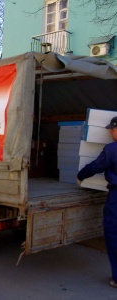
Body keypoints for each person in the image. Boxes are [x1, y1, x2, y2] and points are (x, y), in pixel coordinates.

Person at [77, 116, 117, 288]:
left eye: (112, 129)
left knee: (114, 235)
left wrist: (81, 175)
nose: (110, 131)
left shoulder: (112, 149)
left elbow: (96, 166)